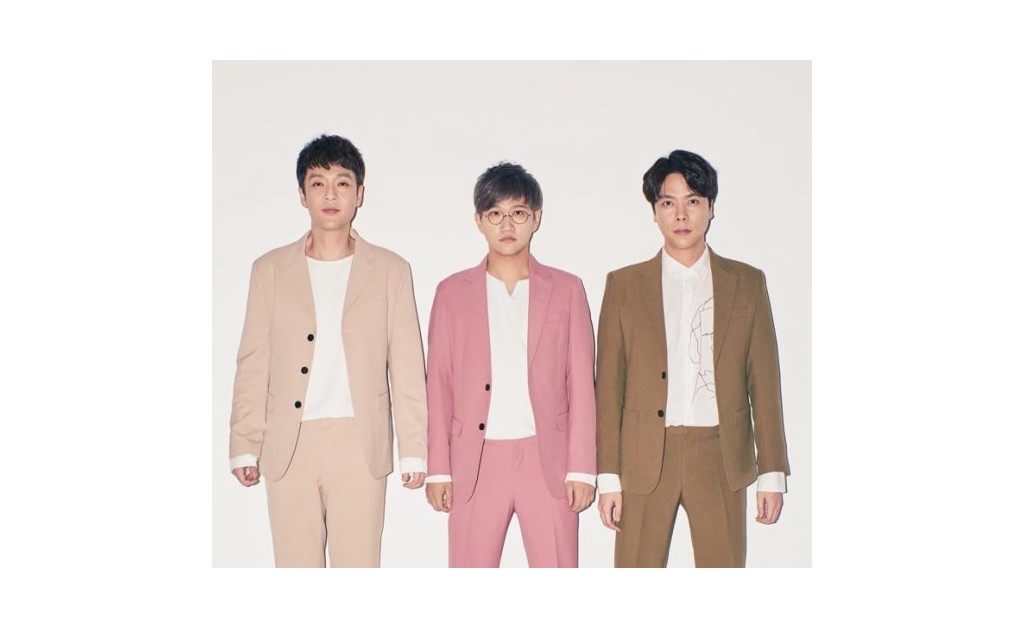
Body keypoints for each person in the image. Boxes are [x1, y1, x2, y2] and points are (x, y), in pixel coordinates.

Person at [228, 134, 428, 567]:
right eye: (318, 183)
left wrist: (414, 448)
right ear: (302, 195)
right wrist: (245, 442)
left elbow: (408, 366)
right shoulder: (269, 270)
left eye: (342, 183)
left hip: (360, 441)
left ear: (360, 193)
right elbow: (253, 361)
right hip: (289, 442)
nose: (331, 194)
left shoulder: (391, 270)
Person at [596, 149, 790, 567]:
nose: (681, 214)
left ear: (711, 207)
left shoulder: (747, 283)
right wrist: (607, 475)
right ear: (654, 211)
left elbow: (764, 381)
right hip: (644, 456)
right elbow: (608, 387)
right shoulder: (623, 286)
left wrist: (772, 471)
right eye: (668, 202)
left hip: (720, 453)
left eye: (693, 201)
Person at [424, 162, 596, 567]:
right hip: (475, 460)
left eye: (518, 213)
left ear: (536, 218)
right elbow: (439, 385)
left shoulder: (567, 289)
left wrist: (582, 468)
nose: (506, 225)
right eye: (495, 214)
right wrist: (438, 470)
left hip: (548, 457)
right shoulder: (451, 293)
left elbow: (582, 384)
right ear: (478, 221)